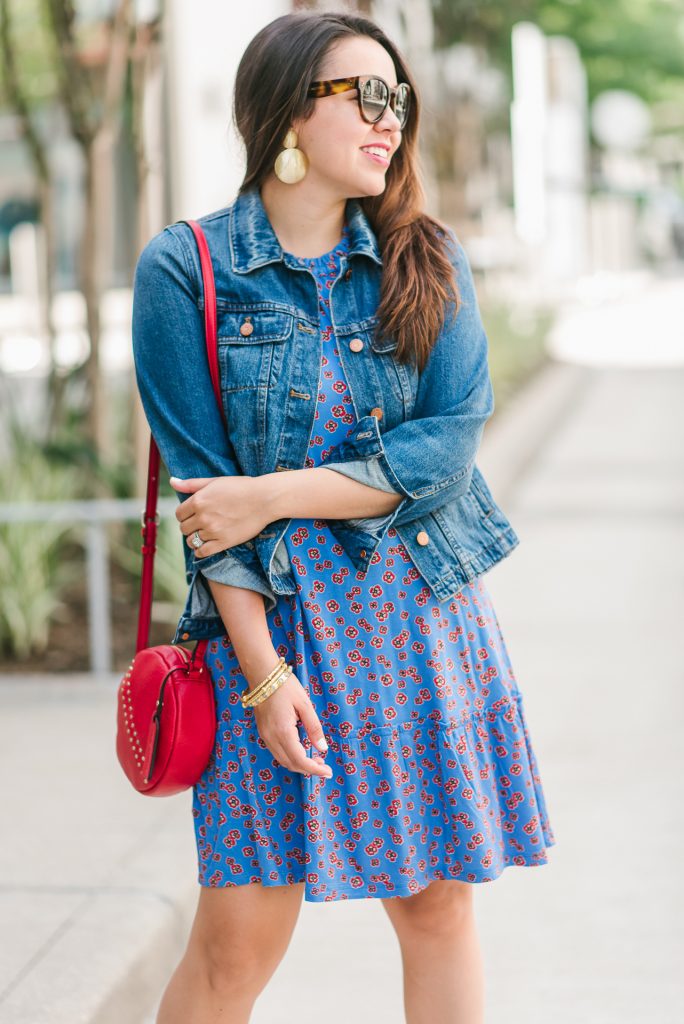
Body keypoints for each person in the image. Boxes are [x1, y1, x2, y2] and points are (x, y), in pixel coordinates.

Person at [132, 10, 556, 1023]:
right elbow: (205, 504)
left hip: (418, 626)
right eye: (364, 96)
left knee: (439, 907)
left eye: (397, 99)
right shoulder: (186, 271)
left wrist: (272, 494)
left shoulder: (426, 257)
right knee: (236, 946)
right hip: (267, 641)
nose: (389, 120)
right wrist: (266, 675)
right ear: (287, 111)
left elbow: (446, 448)